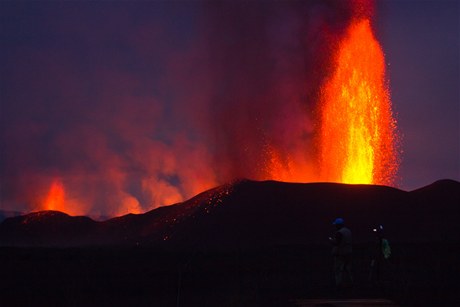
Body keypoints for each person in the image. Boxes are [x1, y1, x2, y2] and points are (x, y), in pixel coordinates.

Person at [329, 217, 353, 288]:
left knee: (338, 269)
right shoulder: (348, 231)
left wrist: (331, 241)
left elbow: (337, 243)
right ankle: (350, 283)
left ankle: (339, 285)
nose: (335, 226)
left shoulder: (339, 232)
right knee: (348, 269)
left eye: (336, 225)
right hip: (349, 252)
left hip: (340, 253)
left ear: (338, 225)